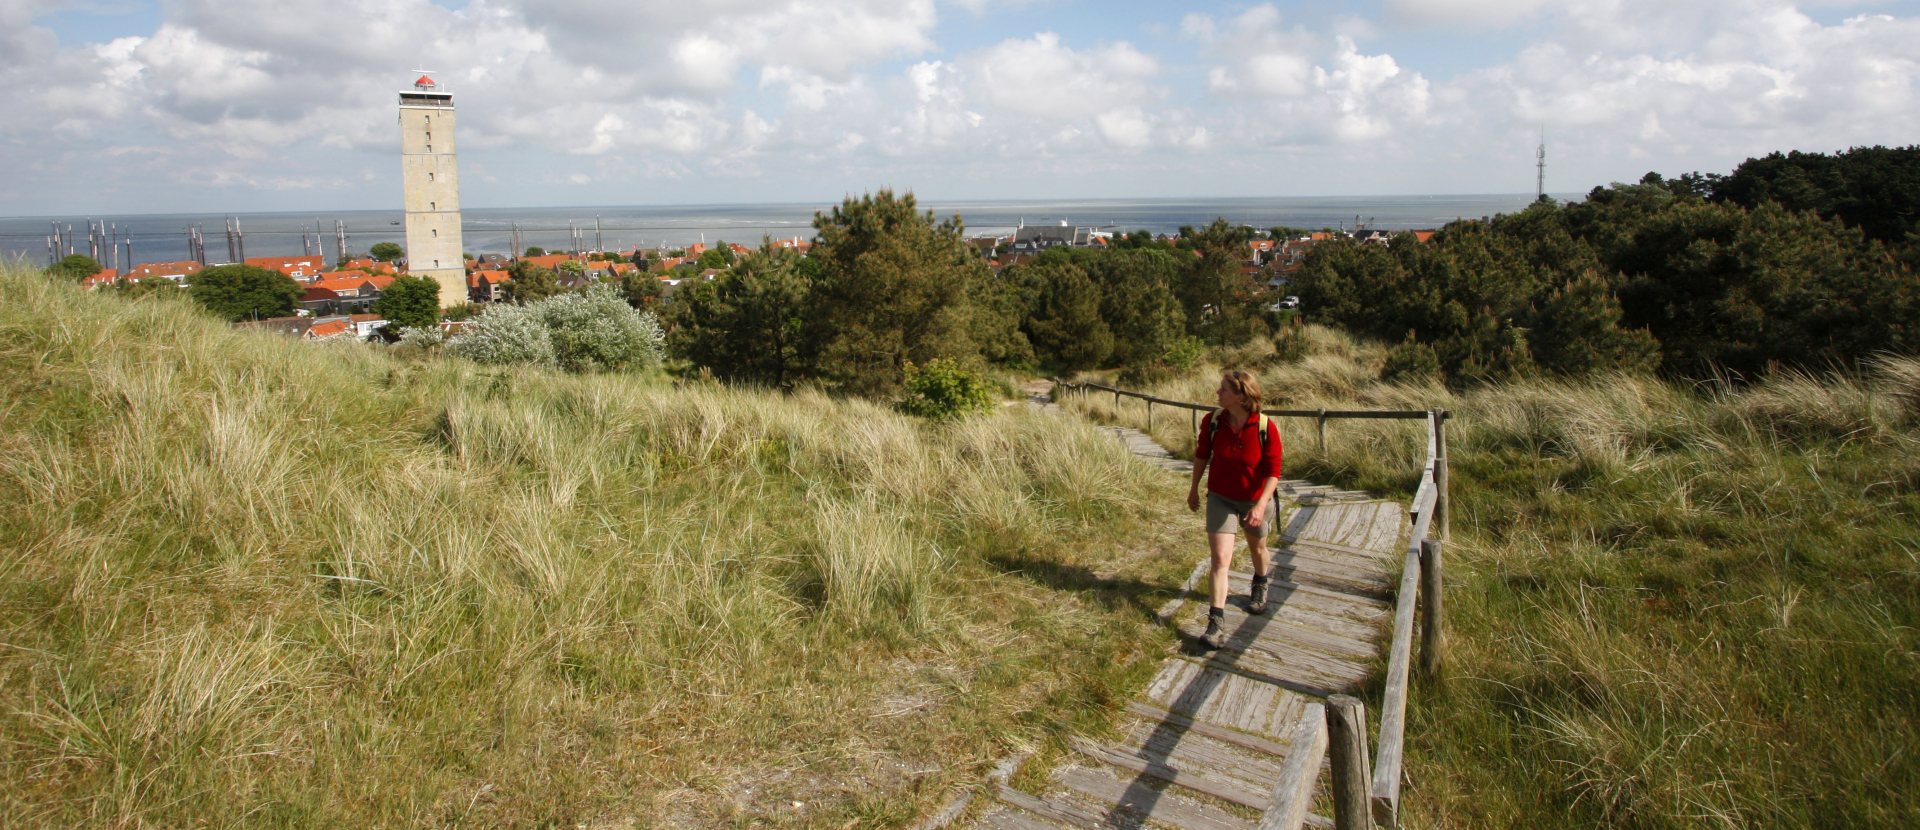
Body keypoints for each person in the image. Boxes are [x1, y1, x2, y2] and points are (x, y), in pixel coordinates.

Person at [1187, 370, 1284, 649]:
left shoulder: (1265, 427)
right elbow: (1202, 455)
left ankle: (1260, 582)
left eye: (1224, 390)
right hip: (1220, 497)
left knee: (1258, 549)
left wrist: (1260, 504)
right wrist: (1193, 488)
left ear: (1241, 395)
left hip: (1254, 499)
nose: (1218, 394)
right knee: (1219, 559)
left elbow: (1273, 472)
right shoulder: (1214, 421)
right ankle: (1215, 623)